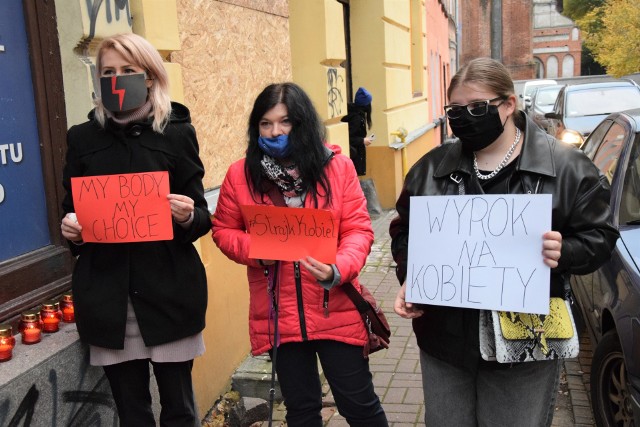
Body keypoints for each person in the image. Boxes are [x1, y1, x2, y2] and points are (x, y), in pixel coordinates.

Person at [389, 57, 619, 426]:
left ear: (509, 104)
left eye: (477, 107)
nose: (464, 117)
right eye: (455, 110)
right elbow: (404, 232)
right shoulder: (430, 168)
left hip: (526, 344)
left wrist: (566, 251)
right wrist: (411, 276)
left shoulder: (568, 168)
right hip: (445, 343)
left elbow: (602, 236)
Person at [211, 82, 388, 427]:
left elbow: (358, 230)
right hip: (280, 313)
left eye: (285, 122)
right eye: (265, 123)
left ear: (303, 123)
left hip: (333, 305)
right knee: (302, 411)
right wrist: (257, 251)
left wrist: (337, 268)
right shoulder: (240, 174)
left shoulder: (337, 169)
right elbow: (223, 230)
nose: (275, 131)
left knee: (359, 406)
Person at [60, 33, 210, 427]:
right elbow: (71, 212)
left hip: (169, 293)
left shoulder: (176, 132)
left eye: (128, 70)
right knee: (133, 413)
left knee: (179, 410)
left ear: (148, 77)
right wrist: (71, 228)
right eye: (108, 71)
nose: (117, 79)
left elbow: (202, 216)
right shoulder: (81, 137)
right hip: (110, 300)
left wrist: (187, 216)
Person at [341, 87, 373, 176]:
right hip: (354, 157)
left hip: (354, 156)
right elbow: (348, 137)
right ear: (366, 105)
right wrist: (362, 141)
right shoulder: (357, 118)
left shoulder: (355, 114)